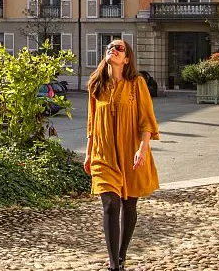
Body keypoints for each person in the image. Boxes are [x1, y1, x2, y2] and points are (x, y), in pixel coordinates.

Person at [83, 38, 159, 271]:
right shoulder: (96, 85)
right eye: (109, 47)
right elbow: (92, 123)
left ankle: (122, 255)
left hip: (131, 152)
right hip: (103, 153)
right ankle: (114, 265)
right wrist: (88, 155)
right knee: (110, 205)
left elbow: (146, 119)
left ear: (126, 59)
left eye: (119, 48)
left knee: (129, 205)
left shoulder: (137, 84)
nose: (112, 50)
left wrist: (143, 148)